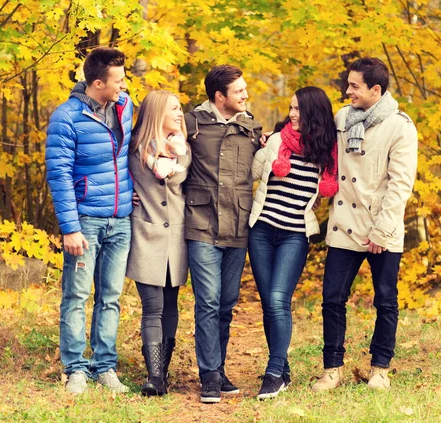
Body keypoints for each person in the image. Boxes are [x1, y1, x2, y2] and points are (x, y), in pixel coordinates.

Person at [312, 57, 418, 392]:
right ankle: (333, 369)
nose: (348, 91)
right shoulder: (343, 117)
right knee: (332, 298)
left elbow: (400, 184)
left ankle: (380, 369)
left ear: (376, 89)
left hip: (380, 228)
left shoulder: (400, 126)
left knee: (385, 300)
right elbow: (318, 146)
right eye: (349, 84)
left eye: (355, 86)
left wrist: (382, 231)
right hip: (345, 223)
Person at [45, 47, 134, 394]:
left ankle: (105, 366)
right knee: (77, 296)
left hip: (121, 219)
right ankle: (75, 369)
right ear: (98, 83)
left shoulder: (125, 109)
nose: (124, 85)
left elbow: (131, 155)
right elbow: (59, 174)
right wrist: (70, 227)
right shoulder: (66, 118)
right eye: (119, 80)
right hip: (85, 221)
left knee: (110, 297)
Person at [248, 86, 339, 399]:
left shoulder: (328, 152)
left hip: (294, 235)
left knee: (277, 299)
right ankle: (281, 369)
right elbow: (252, 172)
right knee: (269, 304)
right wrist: (261, 147)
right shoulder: (277, 140)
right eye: (290, 108)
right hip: (261, 231)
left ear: (314, 112)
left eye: (299, 109)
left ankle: (273, 372)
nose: (292, 114)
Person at [184, 64, 263, 403]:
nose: (245, 95)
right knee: (209, 301)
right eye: (239, 91)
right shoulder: (191, 123)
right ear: (220, 97)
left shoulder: (251, 127)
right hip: (201, 223)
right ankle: (210, 375)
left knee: (227, 303)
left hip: (238, 225)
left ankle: (218, 367)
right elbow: (152, 145)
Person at [126, 90, 191, 396]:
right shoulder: (134, 148)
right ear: (157, 114)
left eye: (181, 109)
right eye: (174, 109)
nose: (180, 114)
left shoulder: (183, 149)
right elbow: (114, 177)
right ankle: (154, 376)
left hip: (175, 237)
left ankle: (163, 371)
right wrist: (126, 197)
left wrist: (173, 151)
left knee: (170, 304)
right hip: (146, 235)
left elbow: (178, 181)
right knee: (153, 305)